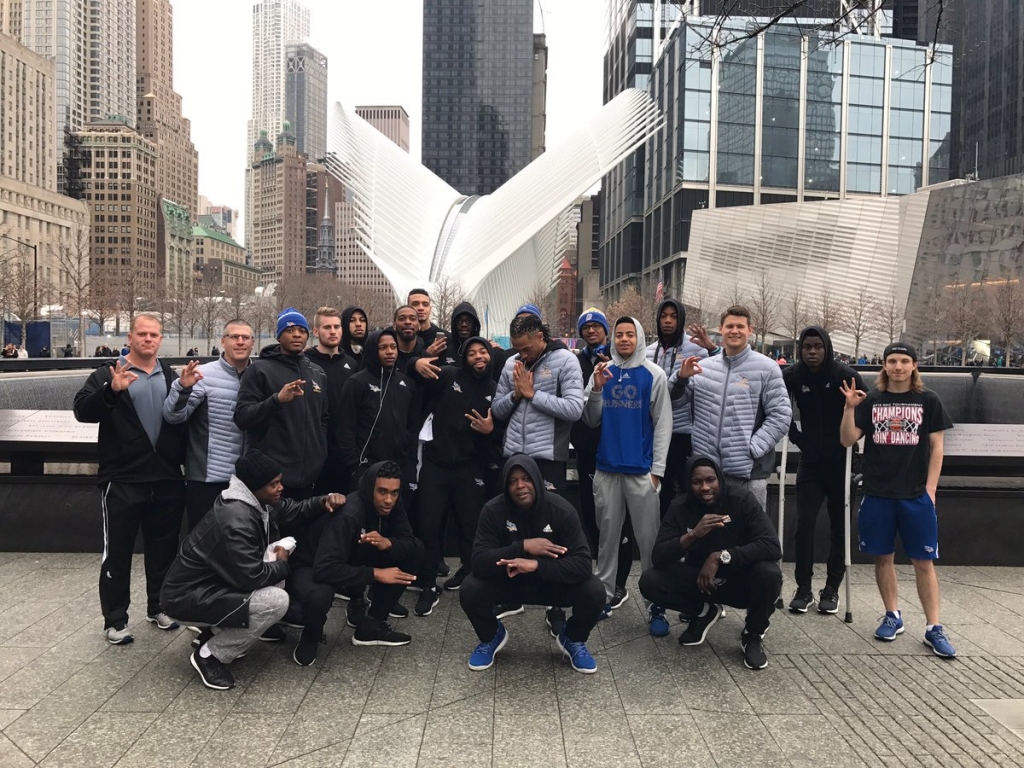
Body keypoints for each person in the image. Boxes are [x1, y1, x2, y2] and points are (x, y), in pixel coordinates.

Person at [160, 451, 345, 688]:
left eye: (279, 481)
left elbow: (292, 509)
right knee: (276, 601)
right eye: (273, 484)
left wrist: (323, 500)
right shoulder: (236, 519)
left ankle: (215, 631)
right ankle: (210, 655)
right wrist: (283, 562)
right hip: (185, 598)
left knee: (273, 583)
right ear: (254, 487)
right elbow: (253, 577)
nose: (280, 488)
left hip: (207, 588)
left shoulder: (253, 502)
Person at [73, 313, 186, 644]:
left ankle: (159, 606)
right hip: (122, 479)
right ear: (130, 339)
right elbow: (83, 412)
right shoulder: (107, 373)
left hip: (166, 479)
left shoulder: (171, 375)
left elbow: (182, 419)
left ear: (160, 339)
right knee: (118, 552)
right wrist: (111, 390)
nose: (149, 339)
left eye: (154, 335)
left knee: (164, 549)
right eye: (142, 334)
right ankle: (115, 619)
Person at [840, 342, 957, 658]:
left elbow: (937, 448)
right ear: (884, 365)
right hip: (878, 493)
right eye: (893, 360)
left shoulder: (928, 400)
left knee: (923, 561)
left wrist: (931, 490)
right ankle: (892, 615)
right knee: (883, 558)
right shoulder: (873, 399)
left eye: (905, 361)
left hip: (915, 495)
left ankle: (934, 627)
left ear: (914, 365)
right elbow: (848, 439)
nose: (898, 366)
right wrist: (850, 408)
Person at [459, 455, 604, 674]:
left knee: (594, 591)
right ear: (506, 486)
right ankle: (491, 636)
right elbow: (478, 561)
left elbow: (583, 564)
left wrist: (536, 565)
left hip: (551, 584)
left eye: (526, 478)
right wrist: (523, 546)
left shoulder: (562, 510)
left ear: (536, 479)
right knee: (470, 588)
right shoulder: (493, 510)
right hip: (509, 583)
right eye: (512, 481)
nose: (520, 486)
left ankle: (573, 638)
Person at [638, 456, 783, 670]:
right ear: (689, 484)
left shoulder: (741, 499)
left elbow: (772, 545)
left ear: (720, 479)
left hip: (740, 580)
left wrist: (721, 556)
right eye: (697, 482)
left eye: (710, 480)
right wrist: (693, 535)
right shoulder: (680, 506)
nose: (705, 487)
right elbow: (659, 556)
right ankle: (704, 611)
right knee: (650, 581)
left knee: (770, 574)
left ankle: (753, 634)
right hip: (702, 581)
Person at [583, 317, 672, 633]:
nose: (623, 339)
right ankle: (603, 597)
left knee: (649, 542)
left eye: (629, 334)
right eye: (618, 334)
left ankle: (656, 604)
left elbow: (663, 424)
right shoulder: (602, 373)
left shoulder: (654, 374)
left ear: (639, 337)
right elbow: (590, 419)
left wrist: (657, 472)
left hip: (640, 473)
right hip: (607, 470)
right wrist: (595, 389)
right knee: (607, 542)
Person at [409, 336, 499, 614]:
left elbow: (502, 435)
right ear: (464, 358)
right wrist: (416, 360)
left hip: (469, 467)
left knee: (470, 526)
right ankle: (427, 584)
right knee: (429, 526)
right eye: (471, 353)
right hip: (435, 464)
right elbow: (414, 374)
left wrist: (491, 431)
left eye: (482, 351)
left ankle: (470, 574)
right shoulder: (449, 376)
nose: (478, 356)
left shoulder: (496, 390)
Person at [672, 305, 791, 511]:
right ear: (721, 329)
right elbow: (675, 402)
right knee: (708, 535)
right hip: (707, 474)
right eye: (729, 326)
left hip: (748, 474)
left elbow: (781, 415)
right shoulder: (704, 367)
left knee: (749, 535)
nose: (734, 331)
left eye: (740, 326)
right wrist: (680, 378)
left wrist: (752, 448)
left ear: (750, 330)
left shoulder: (767, 368)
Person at [783, 326, 866, 615]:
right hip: (810, 462)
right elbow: (778, 407)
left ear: (827, 347)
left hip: (842, 462)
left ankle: (831, 588)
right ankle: (803, 588)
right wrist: (797, 438)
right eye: (807, 347)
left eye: (818, 346)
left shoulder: (845, 375)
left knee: (839, 526)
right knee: (803, 524)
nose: (813, 352)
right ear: (800, 349)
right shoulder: (793, 376)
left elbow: (865, 412)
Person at [312, 461, 423, 653]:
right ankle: (355, 599)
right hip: (320, 565)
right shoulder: (349, 514)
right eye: (382, 492)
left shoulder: (393, 504)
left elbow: (409, 541)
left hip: (358, 556)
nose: (389, 500)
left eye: (394, 493)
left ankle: (372, 625)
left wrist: (389, 543)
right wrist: (376, 574)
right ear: (370, 488)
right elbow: (324, 568)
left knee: (414, 550)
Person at [163, 319, 256, 529]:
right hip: (208, 479)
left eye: (246, 337)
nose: (240, 342)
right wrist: (182, 388)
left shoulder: (260, 375)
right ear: (223, 341)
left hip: (247, 480)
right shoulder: (203, 375)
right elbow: (174, 417)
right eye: (234, 337)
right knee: (203, 543)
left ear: (253, 343)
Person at [234, 308, 328, 500]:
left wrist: (319, 451)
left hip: (310, 475)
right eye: (290, 330)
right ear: (278, 336)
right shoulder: (259, 370)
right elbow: (242, 417)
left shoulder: (317, 372)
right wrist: (276, 400)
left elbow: (323, 417)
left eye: (302, 331)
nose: (297, 335)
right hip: (271, 479)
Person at [572, 308, 630, 607]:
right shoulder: (577, 361)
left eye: (597, 326)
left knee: (618, 519)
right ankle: (598, 570)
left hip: (616, 450)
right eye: (586, 327)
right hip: (586, 451)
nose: (591, 331)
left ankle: (619, 582)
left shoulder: (620, 358)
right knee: (592, 514)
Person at [492, 313, 584, 491]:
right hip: (513, 455)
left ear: (540, 336)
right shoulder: (511, 363)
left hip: (548, 459)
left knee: (548, 516)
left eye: (526, 349)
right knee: (511, 516)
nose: (523, 355)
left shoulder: (566, 360)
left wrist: (533, 395)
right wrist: (515, 396)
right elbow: (497, 409)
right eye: (518, 350)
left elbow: (574, 409)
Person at [646, 299, 720, 515]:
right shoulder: (649, 352)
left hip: (684, 433)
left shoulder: (697, 348)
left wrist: (713, 349)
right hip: (655, 433)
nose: (668, 321)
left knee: (688, 491)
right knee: (661, 492)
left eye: (674, 316)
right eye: (663, 316)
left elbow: (720, 372)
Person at [336, 328, 420, 487]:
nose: (389, 352)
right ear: (373, 350)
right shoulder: (356, 383)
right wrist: (355, 467)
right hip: (367, 470)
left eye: (393, 347)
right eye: (383, 348)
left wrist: (411, 464)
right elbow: (345, 429)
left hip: (400, 469)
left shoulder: (407, 384)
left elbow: (413, 427)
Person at [304, 307, 358, 495]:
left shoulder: (352, 364)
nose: (333, 331)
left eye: (337, 326)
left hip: (347, 451)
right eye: (327, 327)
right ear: (316, 331)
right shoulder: (305, 362)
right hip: (315, 448)